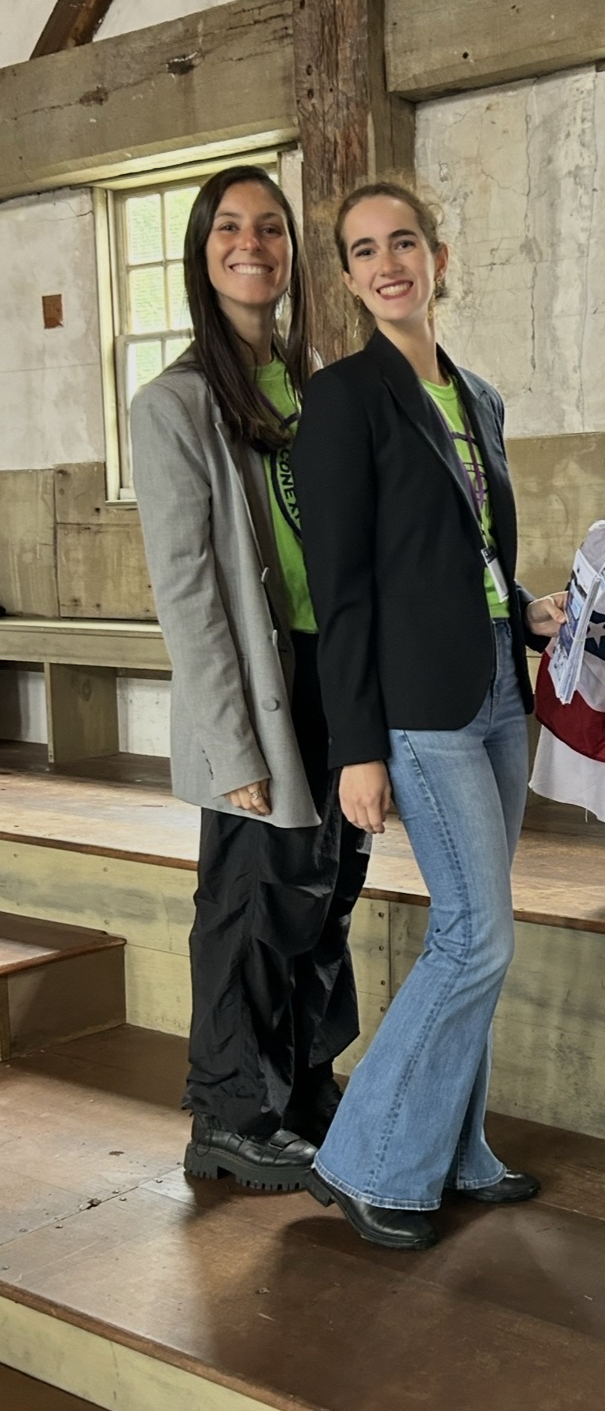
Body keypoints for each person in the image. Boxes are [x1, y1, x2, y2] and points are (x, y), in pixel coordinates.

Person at [290, 180, 566, 1251]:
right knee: (474, 933)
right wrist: (356, 747)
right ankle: (366, 1159)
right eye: (364, 251)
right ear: (352, 278)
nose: (387, 262)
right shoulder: (344, 398)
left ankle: (456, 1148)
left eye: (403, 240)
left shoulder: (480, 398)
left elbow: (474, 554)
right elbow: (343, 588)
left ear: (438, 256)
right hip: (419, 707)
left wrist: (525, 607)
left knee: (482, 930)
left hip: (498, 687)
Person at [130, 165, 369, 1191]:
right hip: (259, 689)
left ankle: (307, 1084)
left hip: (334, 672)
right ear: (203, 249)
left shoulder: (311, 379)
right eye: (230, 228)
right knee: (252, 901)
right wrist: (230, 744)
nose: (253, 243)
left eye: (270, 228)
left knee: (327, 895)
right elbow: (188, 593)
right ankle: (229, 1112)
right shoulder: (173, 402)